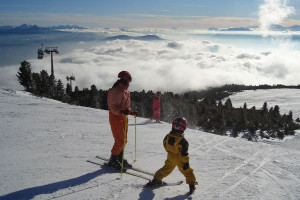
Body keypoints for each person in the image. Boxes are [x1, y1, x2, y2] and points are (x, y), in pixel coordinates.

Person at [146, 117, 197, 194]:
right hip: (180, 159)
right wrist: (186, 163)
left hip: (170, 157)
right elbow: (184, 154)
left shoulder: (168, 136)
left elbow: (165, 144)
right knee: (187, 171)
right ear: (183, 128)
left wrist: (169, 151)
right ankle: (191, 185)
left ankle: (156, 180)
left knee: (166, 169)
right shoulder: (183, 141)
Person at [107, 71, 138, 170]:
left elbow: (126, 107)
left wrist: (131, 112)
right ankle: (113, 160)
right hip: (115, 117)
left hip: (123, 117)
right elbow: (113, 108)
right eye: (128, 79)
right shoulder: (116, 91)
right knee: (120, 141)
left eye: (130, 79)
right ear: (123, 79)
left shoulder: (126, 91)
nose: (129, 81)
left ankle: (120, 158)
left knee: (124, 140)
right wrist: (121, 112)